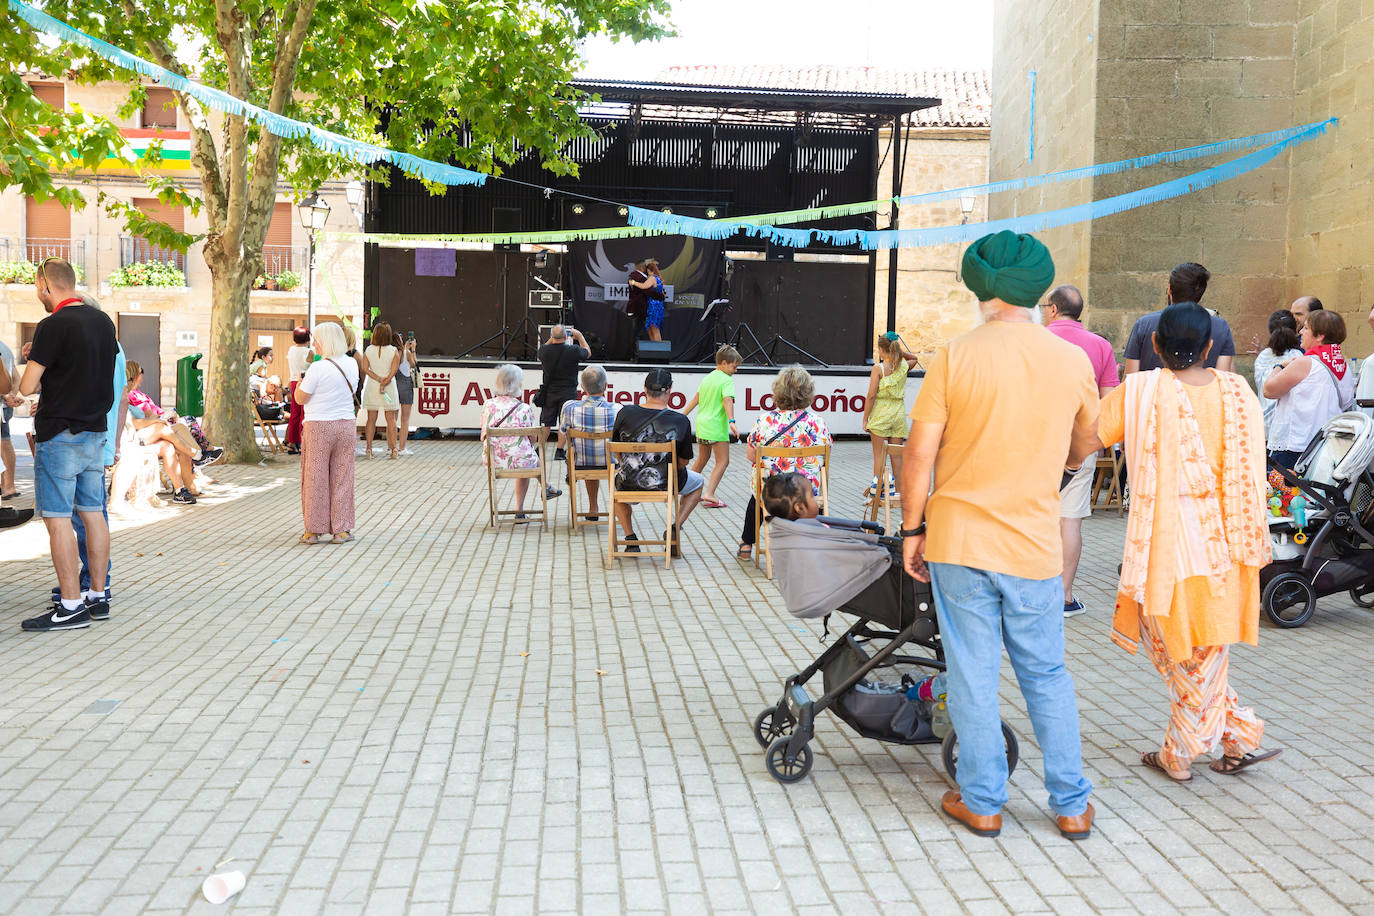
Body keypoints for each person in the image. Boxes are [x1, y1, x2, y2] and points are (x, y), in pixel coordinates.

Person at [900, 231, 1098, 840]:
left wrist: (911, 530)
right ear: (1040, 287)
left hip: (959, 541)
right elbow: (1087, 443)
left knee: (972, 674)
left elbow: (917, 456)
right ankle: (1070, 804)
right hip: (1034, 543)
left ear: (979, 285)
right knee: (1046, 674)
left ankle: (983, 801)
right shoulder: (1071, 361)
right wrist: (1055, 463)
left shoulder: (956, 356)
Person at [1098, 302, 1280, 781]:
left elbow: (1083, 439)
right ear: (1210, 347)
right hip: (1231, 549)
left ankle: (1178, 754)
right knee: (1203, 650)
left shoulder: (1137, 391)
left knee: (1184, 651)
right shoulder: (1239, 391)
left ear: (1155, 346)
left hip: (1169, 553)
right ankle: (1238, 736)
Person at [17, 257, 118, 632]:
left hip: (60, 435)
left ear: (46, 284)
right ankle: (97, 596)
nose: (37, 293)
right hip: (95, 431)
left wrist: (33, 371)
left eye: (36, 286)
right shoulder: (103, 321)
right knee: (94, 513)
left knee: (58, 519)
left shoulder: (52, 324)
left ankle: (71, 606)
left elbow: (27, 386)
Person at [1044, 284, 1120, 617]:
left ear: (1053, 309)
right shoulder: (1100, 345)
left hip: (1033, 441)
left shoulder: (1036, 339)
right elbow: (1108, 401)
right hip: (1080, 443)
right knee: (1070, 519)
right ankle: (1063, 596)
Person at [738, 366, 832, 560]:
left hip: (774, 493)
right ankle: (819, 538)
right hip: (806, 491)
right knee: (817, 491)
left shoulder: (764, 421)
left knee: (758, 494)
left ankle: (747, 544)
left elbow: (750, 456)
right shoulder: (818, 422)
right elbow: (826, 456)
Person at [610, 368, 706, 556]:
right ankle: (674, 529)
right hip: (666, 484)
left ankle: (630, 539)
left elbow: (617, 450)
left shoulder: (625, 413)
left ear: (644, 389)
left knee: (615, 486)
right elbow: (684, 462)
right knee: (699, 482)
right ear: (670, 390)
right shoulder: (681, 421)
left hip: (628, 483)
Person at [1263, 309, 1354, 469]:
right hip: (1325, 449)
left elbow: (1269, 390)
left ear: (1320, 336)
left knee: (1283, 494)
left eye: (1306, 328)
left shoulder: (1304, 363)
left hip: (1293, 448)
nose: (1300, 332)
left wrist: (1279, 366)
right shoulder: (1344, 366)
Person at [295, 322, 359, 544]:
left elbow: (301, 398)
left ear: (325, 341)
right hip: (346, 424)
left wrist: (297, 386)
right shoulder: (351, 364)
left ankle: (313, 530)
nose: (314, 343)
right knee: (342, 476)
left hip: (319, 425)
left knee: (315, 477)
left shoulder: (318, 368)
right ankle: (341, 530)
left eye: (317, 339)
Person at [1124, 263, 1235, 373]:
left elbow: (1129, 380)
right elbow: (1225, 377)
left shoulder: (1144, 324)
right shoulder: (1221, 327)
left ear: (1169, 289)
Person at [125, 362, 199, 503]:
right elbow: (134, 423)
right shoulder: (123, 397)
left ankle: (182, 490)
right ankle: (197, 454)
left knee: (172, 443)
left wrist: (156, 418)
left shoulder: (133, 395)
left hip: (146, 435)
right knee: (163, 428)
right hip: (133, 439)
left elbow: (145, 417)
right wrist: (155, 421)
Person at [125, 361, 223, 467]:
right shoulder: (131, 396)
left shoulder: (138, 393)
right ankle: (204, 452)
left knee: (182, 424)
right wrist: (162, 418)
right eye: (140, 374)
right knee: (187, 421)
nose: (142, 378)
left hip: (157, 420)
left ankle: (201, 455)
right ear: (133, 376)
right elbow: (146, 416)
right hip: (151, 426)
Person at [861, 332, 920, 498]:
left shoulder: (878, 369)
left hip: (881, 414)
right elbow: (914, 357)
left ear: (881, 349)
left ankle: (879, 493)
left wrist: (865, 418)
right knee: (897, 457)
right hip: (898, 414)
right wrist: (898, 352)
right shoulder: (903, 366)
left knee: (879, 457)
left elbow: (871, 395)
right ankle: (899, 494)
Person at [683, 345, 742, 509]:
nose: (735, 370)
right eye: (734, 366)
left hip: (702, 424)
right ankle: (709, 494)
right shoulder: (726, 380)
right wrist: (732, 421)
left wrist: (682, 416)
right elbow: (727, 400)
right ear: (723, 363)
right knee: (723, 461)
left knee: (702, 459)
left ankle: (686, 488)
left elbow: (696, 399)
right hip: (716, 426)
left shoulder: (708, 378)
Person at [481, 364, 540, 520]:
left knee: (522, 454)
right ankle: (519, 509)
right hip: (521, 462)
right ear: (517, 384)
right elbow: (532, 438)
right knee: (525, 456)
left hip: (494, 461)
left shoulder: (488, 405)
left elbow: (483, 434)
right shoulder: (524, 408)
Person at [537, 324, 590, 495]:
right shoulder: (573, 351)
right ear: (566, 337)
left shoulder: (544, 351)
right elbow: (587, 353)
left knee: (546, 421)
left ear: (552, 336)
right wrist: (580, 336)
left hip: (550, 392)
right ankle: (560, 451)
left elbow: (546, 345)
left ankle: (540, 449)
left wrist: (554, 337)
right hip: (568, 390)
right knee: (564, 422)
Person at [560, 364, 617, 520]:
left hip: (579, 463)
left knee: (586, 452)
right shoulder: (617, 409)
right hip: (610, 463)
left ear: (582, 386)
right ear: (606, 386)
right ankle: (617, 505)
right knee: (603, 451)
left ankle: (593, 507)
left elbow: (563, 431)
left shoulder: (569, 407)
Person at [1254, 310, 1304, 428]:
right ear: (1296, 329)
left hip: (1262, 423)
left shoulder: (1263, 356)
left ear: (1270, 331)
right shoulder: (1297, 356)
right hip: (1286, 425)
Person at [361, 321, 401, 460]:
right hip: (389, 387)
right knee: (391, 419)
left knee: (371, 419)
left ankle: (368, 449)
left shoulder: (368, 350)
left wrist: (378, 379)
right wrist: (386, 380)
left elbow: (365, 368)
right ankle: (394, 449)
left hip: (372, 386)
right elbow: (394, 369)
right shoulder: (393, 350)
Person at [284, 327, 312, 454]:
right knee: (304, 413)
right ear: (308, 337)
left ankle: (291, 442)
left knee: (294, 413)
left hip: (293, 382)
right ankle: (302, 442)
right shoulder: (309, 352)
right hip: (305, 381)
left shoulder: (291, 350)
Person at [395, 330, 418, 455]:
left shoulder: (392, 353)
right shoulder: (407, 353)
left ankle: (391, 447)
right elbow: (414, 365)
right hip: (406, 386)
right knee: (405, 420)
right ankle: (402, 448)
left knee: (392, 420)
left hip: (393, 385)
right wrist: (412, 349)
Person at [1, 337, 18, 500]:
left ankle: (7, 486)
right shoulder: (5, 347)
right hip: (5, 405)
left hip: (2, 403)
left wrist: (6, 395)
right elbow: (16, 377)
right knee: (5, 441)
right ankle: (9, 485)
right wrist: (11, 394)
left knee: (4, 442)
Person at [626, 259, 654, 338]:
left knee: (638, 329)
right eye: (645, 266)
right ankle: (634, 348)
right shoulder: (640, 278)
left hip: (636, 307)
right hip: (639, 307)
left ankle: (634, 348)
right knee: (638, 330)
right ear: (642, 267)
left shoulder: (633, 276)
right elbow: (647, 291)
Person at [644, 259, 667, 342]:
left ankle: (659, 351)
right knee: (651, 328)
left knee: (654, 328)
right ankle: (655, 350)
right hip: (653, 306)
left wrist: (634, 283)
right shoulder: (656, 279)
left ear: (651, 271)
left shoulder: (653, 279)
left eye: (648, 272)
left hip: (654, 306)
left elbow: (644, 287)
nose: (648, 274)